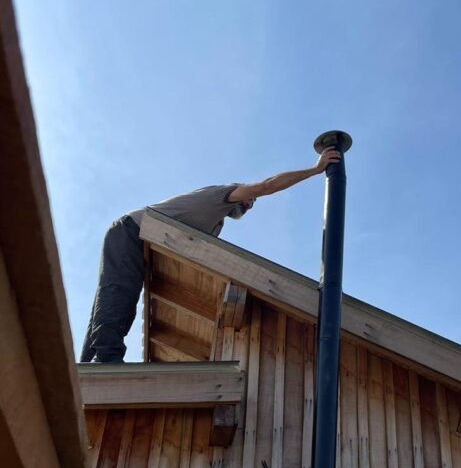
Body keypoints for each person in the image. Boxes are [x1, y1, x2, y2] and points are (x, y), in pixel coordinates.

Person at [80, 147, 341, 363]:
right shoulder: (221, 195)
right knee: (118, 291)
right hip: (131, 231)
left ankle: (88, 360)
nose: (251, 203)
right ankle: (105, 356)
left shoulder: (215, 224)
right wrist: (315, 169)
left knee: (117, 296)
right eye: (250, 198)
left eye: (252, 202)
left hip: (143, 244)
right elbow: (267, 186)